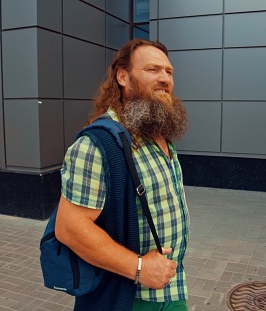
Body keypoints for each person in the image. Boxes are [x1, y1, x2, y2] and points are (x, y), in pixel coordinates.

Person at [55, 39, 190, 311]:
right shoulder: (98, 144)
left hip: (171, 288)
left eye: (169, 72)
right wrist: (139, 268)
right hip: (127, 298)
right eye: (153, 70)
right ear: (122, 77)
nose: (165, 78)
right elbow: (69, 229)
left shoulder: (158, 133)